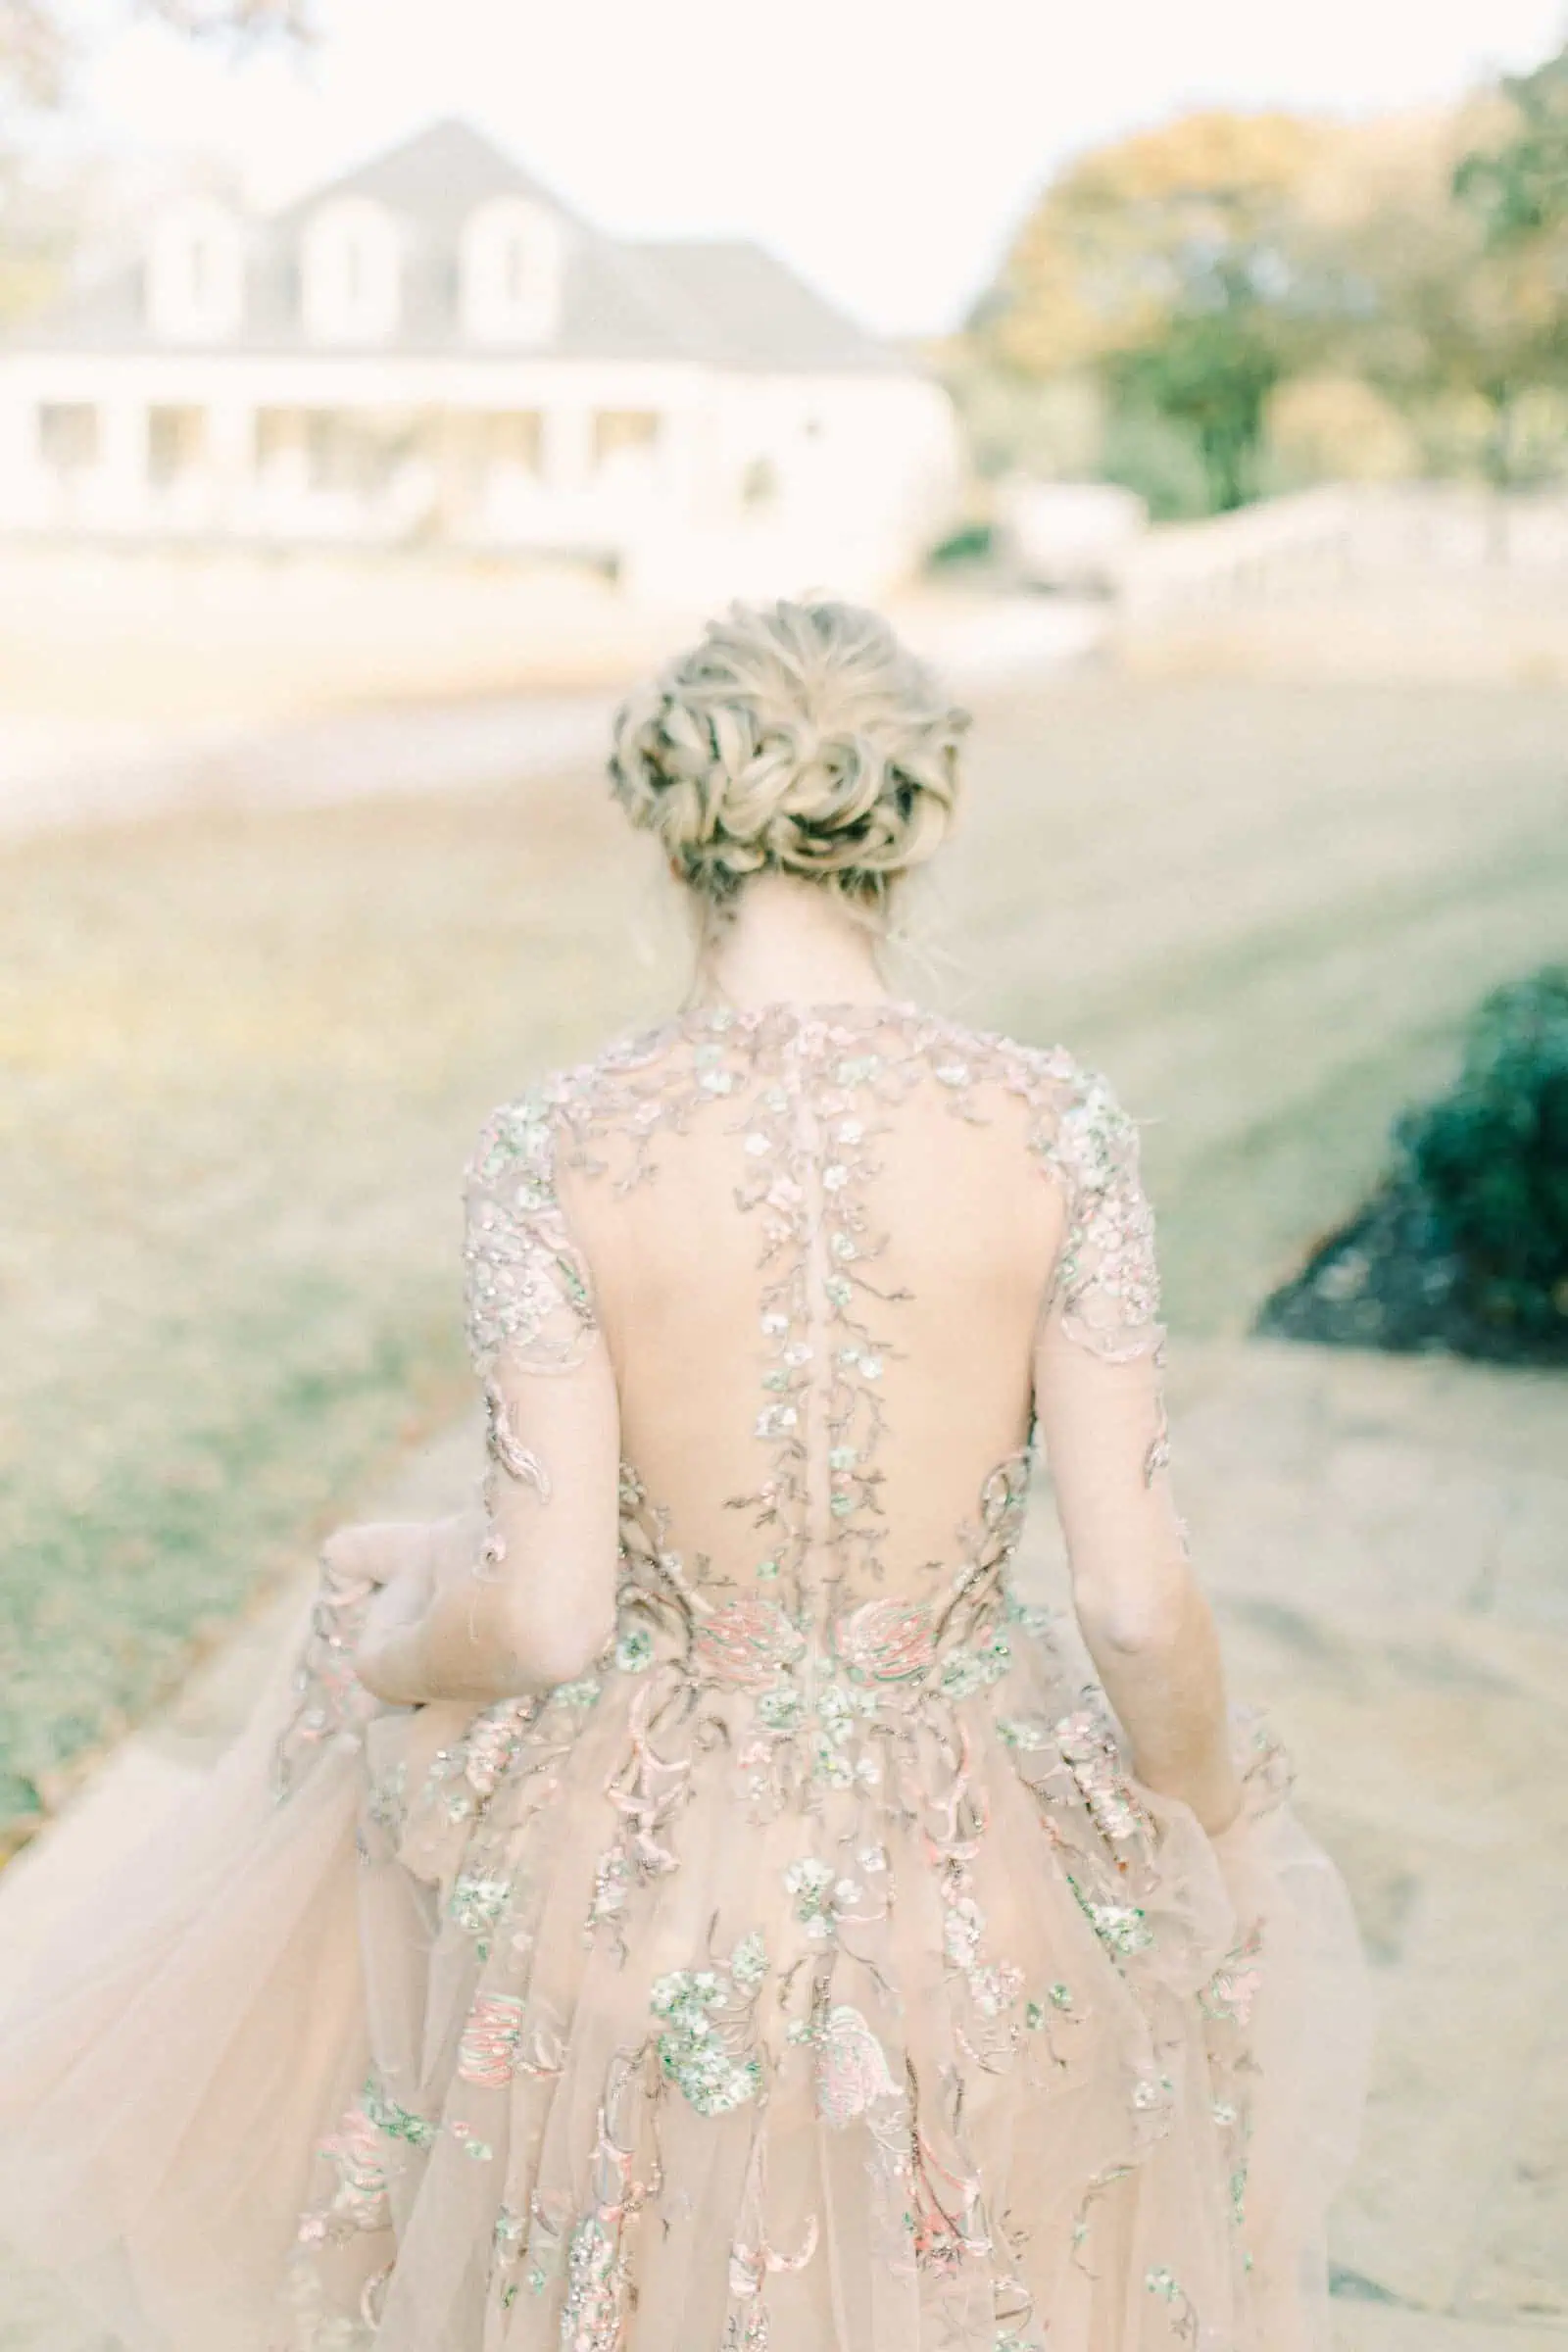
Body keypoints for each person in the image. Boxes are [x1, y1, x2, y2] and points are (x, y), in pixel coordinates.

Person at [0, 600, 1369, 2352]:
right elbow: (1126, 1593)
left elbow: (550, 1610)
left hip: (635, 1891)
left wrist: (395, 1636)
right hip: (976, 1874)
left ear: (675, 826)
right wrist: (1212, 1836)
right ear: (909, 817)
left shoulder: (563, 1146)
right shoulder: (1056, 1134)